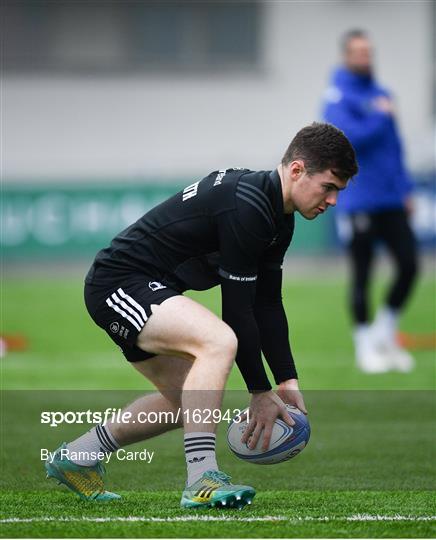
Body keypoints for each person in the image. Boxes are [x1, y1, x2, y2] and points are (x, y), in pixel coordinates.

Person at [45, 122, 358, 508]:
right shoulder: (250, 206)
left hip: (145, 288)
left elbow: (267, 304)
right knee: (218, 340)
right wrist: (260, 392)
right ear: (297, 170)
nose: (332, 201)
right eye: (328, 187)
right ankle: (201, 479)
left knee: (189, 404)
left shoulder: (279, 218)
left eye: (338, 192)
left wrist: (286, 379)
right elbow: (238, 312)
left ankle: (78, 456)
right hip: (119, 283)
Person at [322, 30, 419, 374]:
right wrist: (379, 116)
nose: (365, 57)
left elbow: (395, 147)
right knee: (362, 273)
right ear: (346, 55)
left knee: (409, 265)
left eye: (369, 52)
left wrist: (405, 188)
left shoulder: (381, 94)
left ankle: (385, 332)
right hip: (359, 198)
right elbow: (345, 139)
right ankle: (365, 345)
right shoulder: (338, 94)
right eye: (359, 52)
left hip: (391, 198)